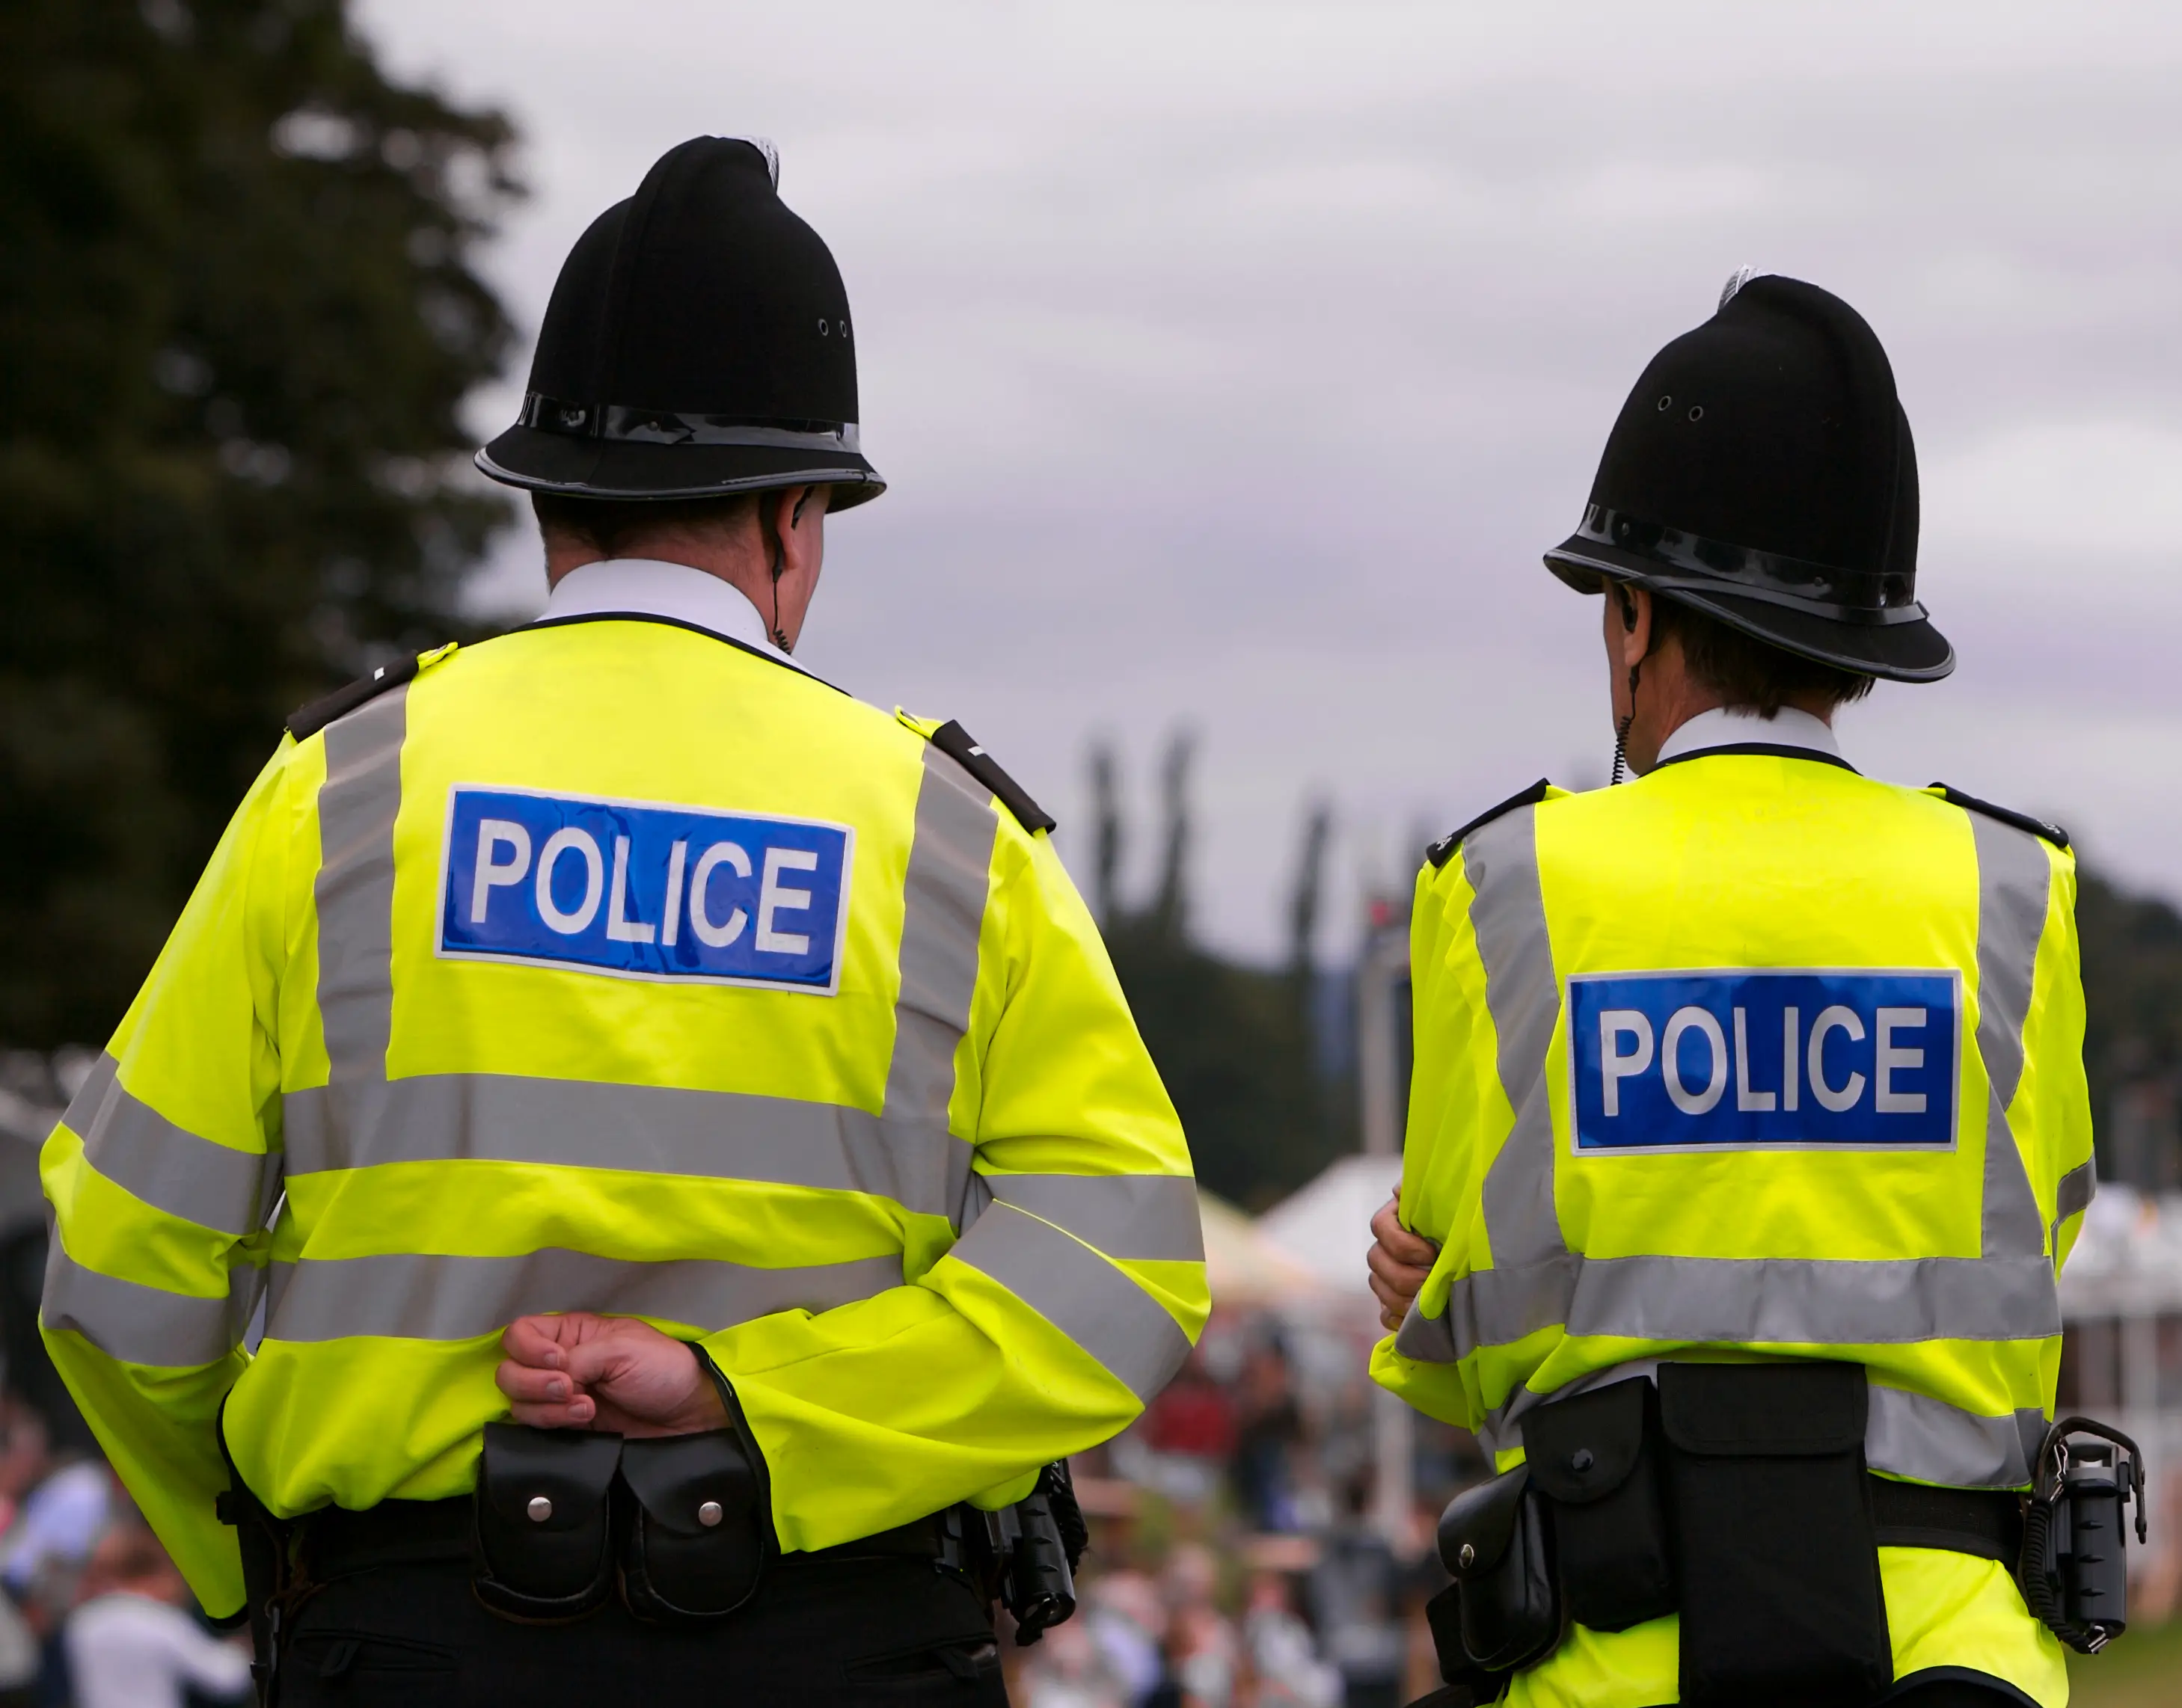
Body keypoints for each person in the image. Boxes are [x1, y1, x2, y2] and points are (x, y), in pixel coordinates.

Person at [39, 135, 1207, 1706]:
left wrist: (258, 1550)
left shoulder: (342, 787)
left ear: (548, 504)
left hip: (409, 1638)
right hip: (840, 1644)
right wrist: (759, 1405)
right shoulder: (946, 831)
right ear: (798, 518)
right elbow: (1122, 1267)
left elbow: (119, 1262)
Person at [1365, 274, 2094, 1707]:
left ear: (1634, 619)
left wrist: (1418, 1289)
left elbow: (1458, 1341)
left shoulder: (1498, 886)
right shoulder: (2018, 891)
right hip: (1951, 1658)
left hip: (1615, 1652)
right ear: (1854, 652)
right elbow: (2033, 1244)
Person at [62, 1520, 251, 1708]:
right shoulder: (161, 1620)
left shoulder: (82, 1622)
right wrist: (240, 1649)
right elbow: (226, 1680)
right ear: (153, 1574)